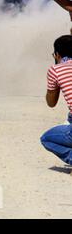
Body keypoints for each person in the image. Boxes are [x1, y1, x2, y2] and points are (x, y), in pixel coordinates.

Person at [40, 35, 72, 165]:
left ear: (57, 54)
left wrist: (56, 69)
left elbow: (51, 103)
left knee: (47, 139)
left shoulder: (56, 70)